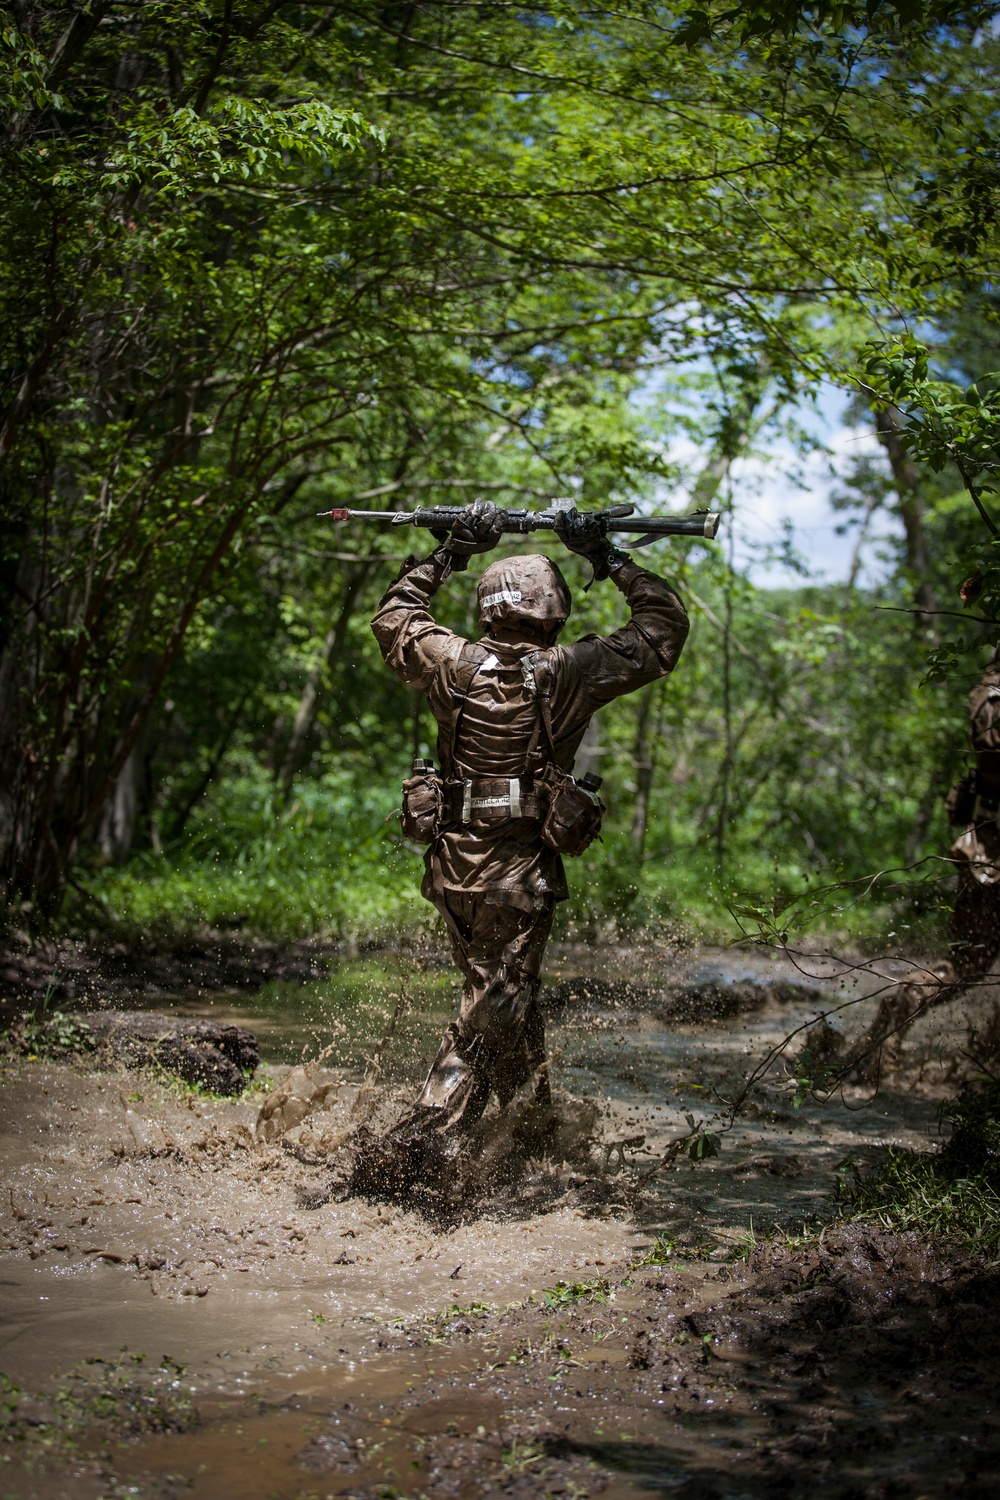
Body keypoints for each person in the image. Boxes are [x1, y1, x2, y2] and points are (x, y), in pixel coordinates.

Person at [363, 501, 689, 1181]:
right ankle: (415, 1147)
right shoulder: (573, 670)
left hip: (452, 868)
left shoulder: (447, 661)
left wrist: (449, 551)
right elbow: (663, 629)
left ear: (486, 608)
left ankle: (534, 1135)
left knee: (505, 992)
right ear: (554, 610)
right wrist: (607, 557)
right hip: (516, 872)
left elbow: (394, 617)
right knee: (491, 1004)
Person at [850, 647, 1000, 1081]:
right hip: (991, 855)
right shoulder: (992, 696)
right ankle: (892, 1024)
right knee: (966, 967)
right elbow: (992, 752)